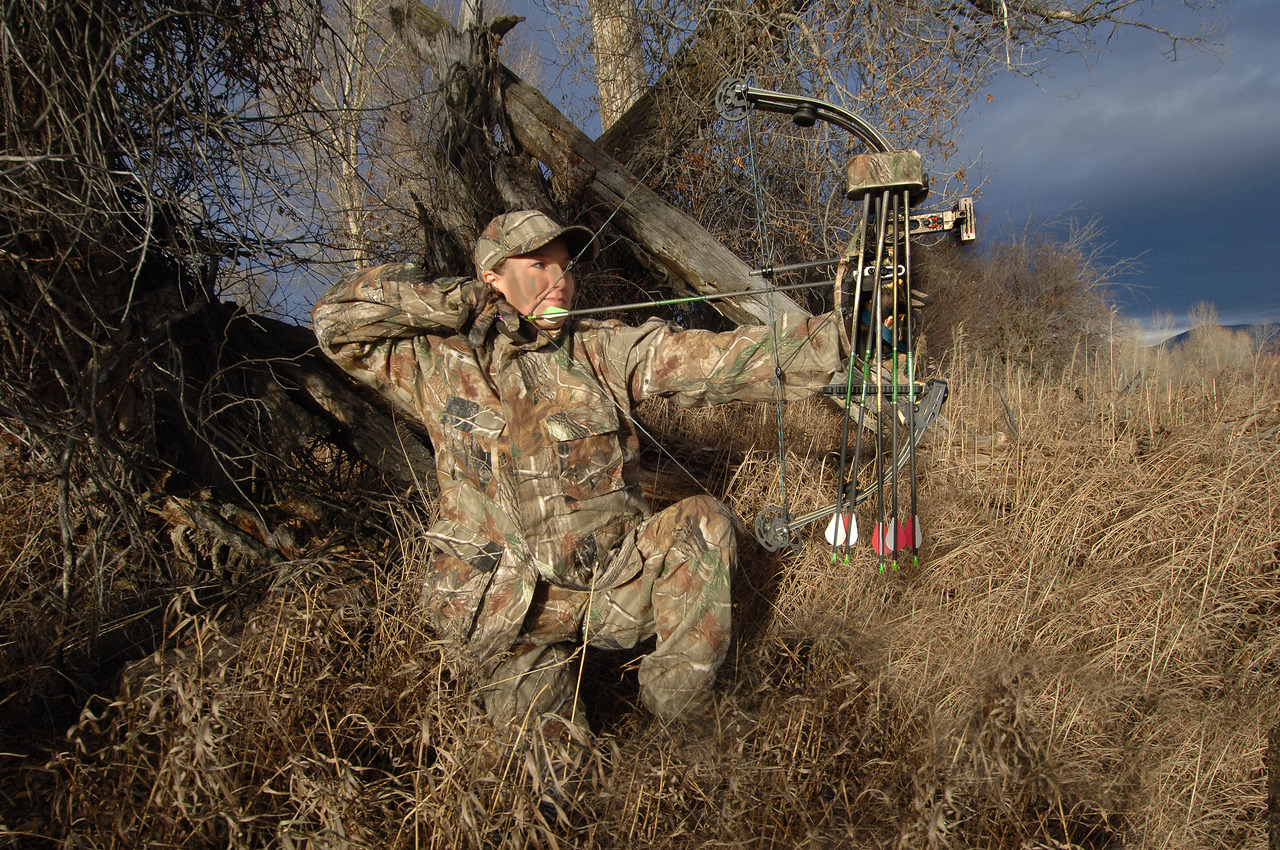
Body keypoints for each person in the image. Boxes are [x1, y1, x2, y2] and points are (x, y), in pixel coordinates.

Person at [312, 210, 849, 735]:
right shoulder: (432, 358)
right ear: (493, 276)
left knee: (705, 525)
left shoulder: (598, 347)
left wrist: (840, 335)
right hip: (503, 613)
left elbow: (710, 359)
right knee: (553, 780)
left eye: (565, 267)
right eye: (539, 267)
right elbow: (335, 321)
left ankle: (681, 720)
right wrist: (460, 303)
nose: (560, 282)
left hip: (609, 582)